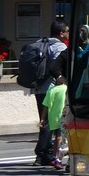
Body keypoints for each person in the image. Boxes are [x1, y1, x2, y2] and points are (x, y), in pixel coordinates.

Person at [33, 21, 69, 166]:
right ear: (61, 33)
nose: (67, 34)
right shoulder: (61, 47)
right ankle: (41, 155)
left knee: (45, 120)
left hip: (38, 88)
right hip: (53, 89)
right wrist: (62, 79)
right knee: (53, 123)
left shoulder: (39, 43)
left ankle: (45, 154)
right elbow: (59, 67)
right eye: (66, 31)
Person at [40, 73, 68, 170]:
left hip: (53, 117)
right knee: (61, 138)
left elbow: (46, 105)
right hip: (63, 116)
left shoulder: (51, 90)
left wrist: (43, 119)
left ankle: (54, 156)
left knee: (57, 137)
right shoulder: (66, 89)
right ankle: (57, 158)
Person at [71, 24, 89, 92]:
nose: (81, 34)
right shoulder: (77, 44)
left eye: (83, 32)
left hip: (86, 69)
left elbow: (83, 56)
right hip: (79, 69)